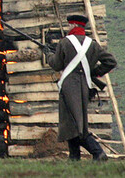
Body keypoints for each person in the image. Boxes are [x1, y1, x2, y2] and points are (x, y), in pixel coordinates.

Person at [48, 14, 117, 161]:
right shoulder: (92, 44)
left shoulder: (65, 42)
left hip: (69, 87)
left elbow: (56, 65)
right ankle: (74, 157)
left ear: (73, 25)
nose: (68, 28)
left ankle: (97, 152)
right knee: (74, 122)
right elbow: (110, 62)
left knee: (73, 122)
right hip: (85, 86)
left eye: (69, 25)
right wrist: (93, 72)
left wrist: (48, 56)